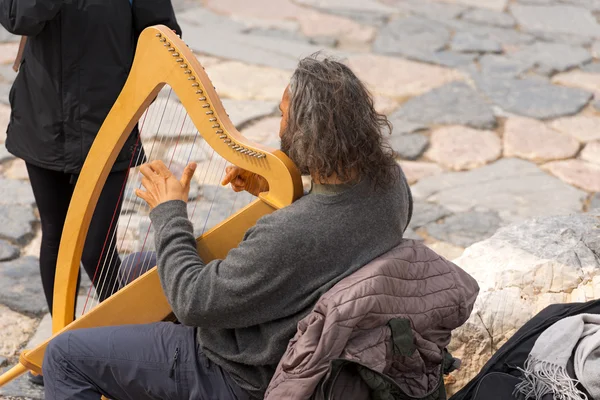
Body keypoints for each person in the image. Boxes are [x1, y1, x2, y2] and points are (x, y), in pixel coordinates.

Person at [41, 56, 414, 399]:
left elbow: (193, 302)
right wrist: (269, 185)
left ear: (307, 133)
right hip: (305, 341)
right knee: (141, 269)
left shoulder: (290, 235)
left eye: (284, 116)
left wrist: (169, 211)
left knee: (62, 356)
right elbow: (331, 231)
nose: (279, 125)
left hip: (240, 373)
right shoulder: (391, 186)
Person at [0, 1, 180, 319]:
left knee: (97, 248)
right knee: (55, 233)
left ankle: (128, 335)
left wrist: (135, 100)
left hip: (109, 124)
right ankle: (59, 343)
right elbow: (18, 18)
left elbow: (163, 36)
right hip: (43, 118)